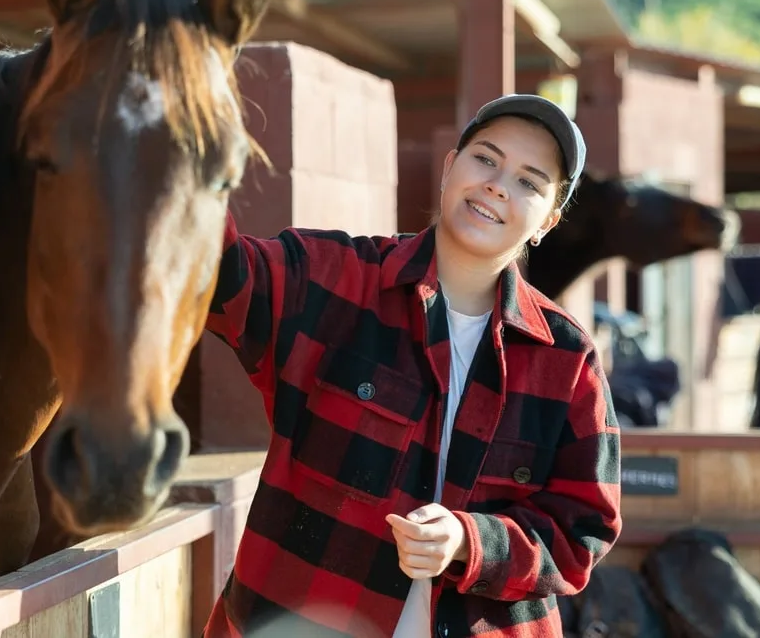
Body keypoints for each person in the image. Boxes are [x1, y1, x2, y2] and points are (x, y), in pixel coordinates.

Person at [201, 94, 622, 638]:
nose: (498, 185)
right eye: (486, 159)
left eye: (530, 182)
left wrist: (471, 542)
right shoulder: (335, 281)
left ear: (548, 221)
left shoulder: (568, 361)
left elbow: (582, 532)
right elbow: (216, 274)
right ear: (450, 169)